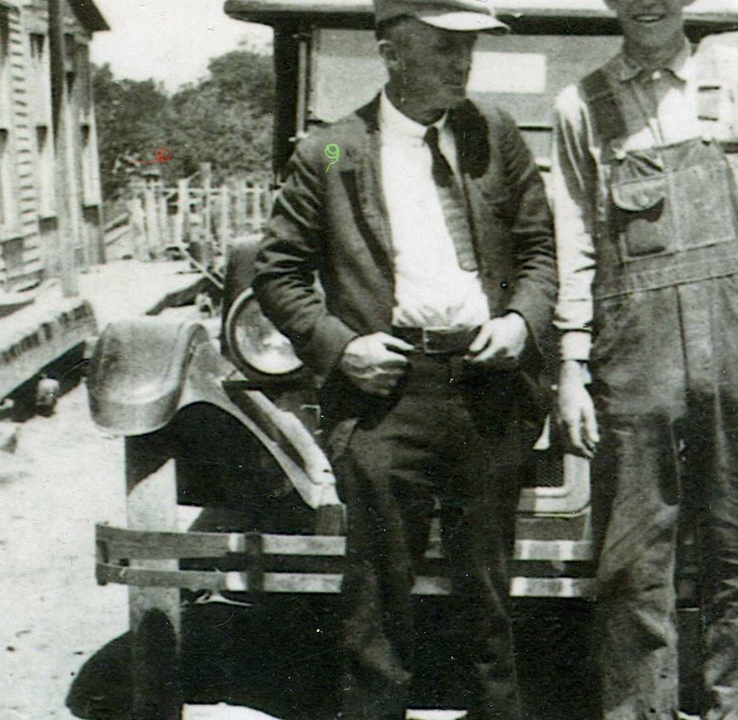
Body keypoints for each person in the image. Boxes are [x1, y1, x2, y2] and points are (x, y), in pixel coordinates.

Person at [253, 1, 557, 717]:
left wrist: (521, 321)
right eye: (443, 48)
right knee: (377, 596)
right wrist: (342, 347)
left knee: (488, 590)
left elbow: (540, 249)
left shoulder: (496, 135)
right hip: (387, 396)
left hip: (487, 390)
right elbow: (279, 272)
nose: (462, 64)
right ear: (391, 53)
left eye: (468, 49)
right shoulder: (333, 149)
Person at [550, 1, 738, 718]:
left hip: (734, 336)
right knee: (634, 556)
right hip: (635, 346)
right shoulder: (582, 104)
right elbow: (574, 241)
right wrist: (573, 360)